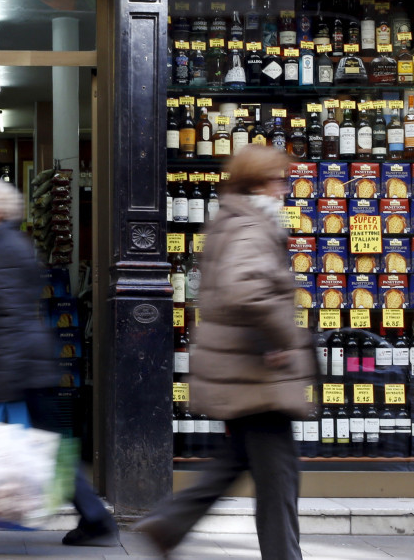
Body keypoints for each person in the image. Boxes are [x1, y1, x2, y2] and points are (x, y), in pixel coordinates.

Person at [137, 146, 317, 560]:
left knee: (236, 464)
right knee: (279, 479)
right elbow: (245, 290)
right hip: (256, 373)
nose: (284, 190)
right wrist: (278, 339)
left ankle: (168, 525)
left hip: (243, 373)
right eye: (278, 180)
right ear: (259, 183)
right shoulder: (251, 227)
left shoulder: (230, 220)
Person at [0, 178, 119, 550]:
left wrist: (3, 380)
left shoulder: (3, 252)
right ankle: (96, 521)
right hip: (20, 364)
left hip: (8, 366)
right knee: (47, 446)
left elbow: (9, 318)